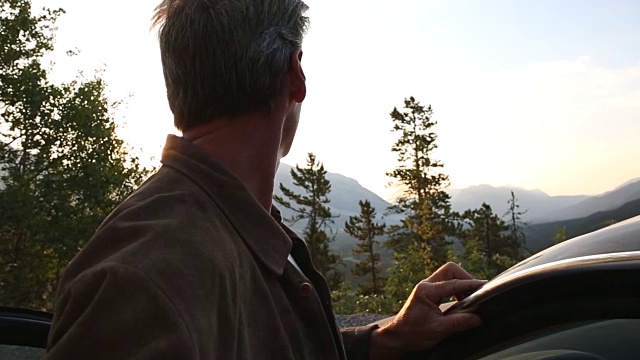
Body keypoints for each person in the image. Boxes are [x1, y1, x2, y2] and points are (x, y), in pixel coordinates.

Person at [45, 0, 486, 359]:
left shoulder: (217, 229)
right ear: (296, 73)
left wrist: (383, 338)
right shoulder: (142, 284)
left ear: (175, 87)